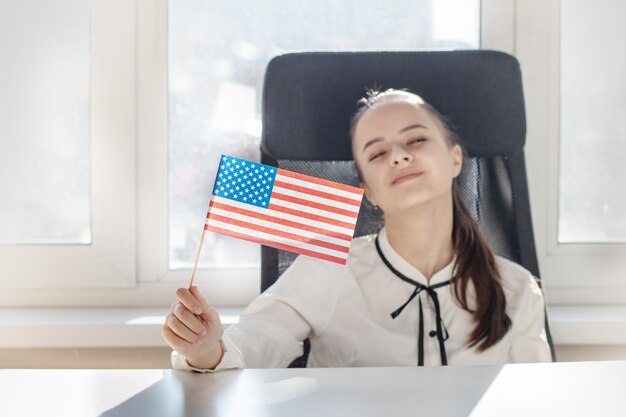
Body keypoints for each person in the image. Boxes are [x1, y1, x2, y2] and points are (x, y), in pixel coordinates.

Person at [163, 89, 552, 371]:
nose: (399, 155)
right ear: (368, 192)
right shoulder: (330, 269)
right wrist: (205, 348)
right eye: (378, 153)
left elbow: (537, 404)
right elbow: (253, 344)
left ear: (454, 160)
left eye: (416, 139)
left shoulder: (516, 290)